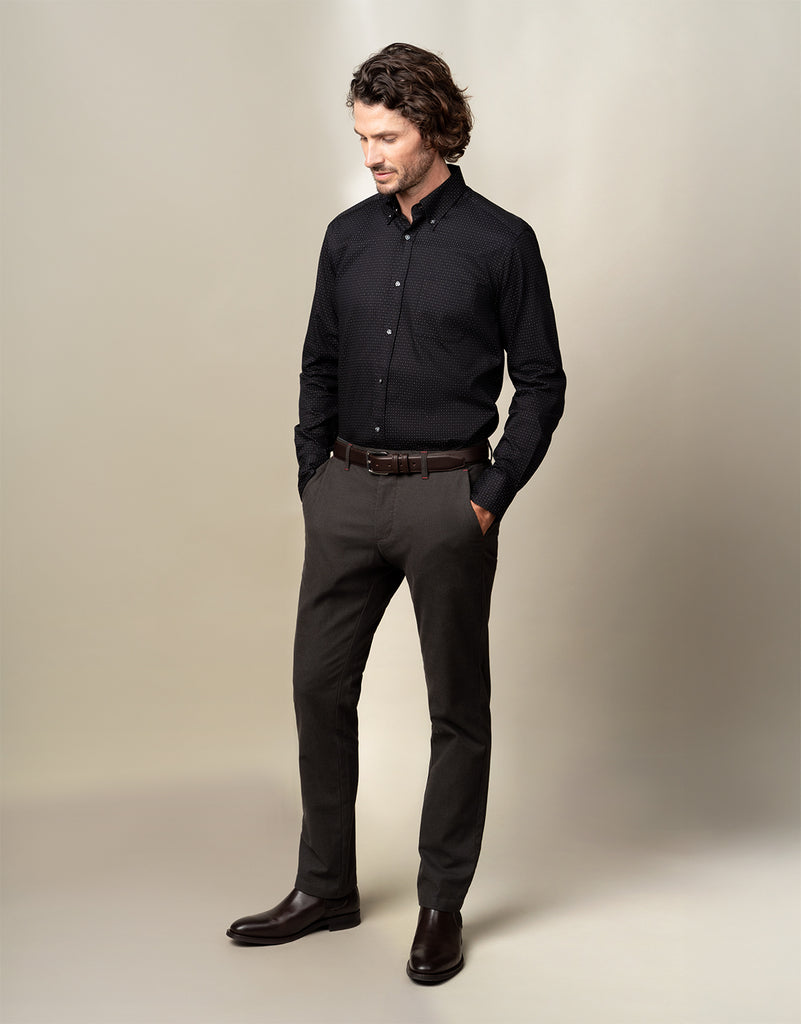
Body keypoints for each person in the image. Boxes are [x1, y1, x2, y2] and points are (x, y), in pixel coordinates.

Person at [227, 42, 565, 984]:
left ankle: (440, 905)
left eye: (386, 138)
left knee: (456, 708)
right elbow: (319, 362)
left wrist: (488, 497)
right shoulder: (347, 237)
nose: (370, 155)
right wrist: (314, 476)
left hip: (445, 498)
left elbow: (541, 383)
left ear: (434, 130)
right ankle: (324, 887)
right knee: (317, 688)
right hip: (345, 490)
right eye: (361, 137)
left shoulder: (501, 242)